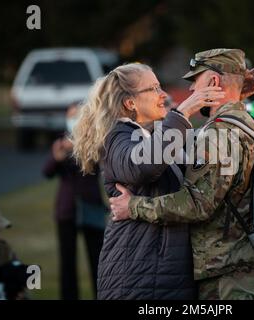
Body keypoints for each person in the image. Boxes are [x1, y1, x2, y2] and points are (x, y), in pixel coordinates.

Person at [110, 49, 254, 300]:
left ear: (212, 82)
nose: (190, 90)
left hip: (229, 276)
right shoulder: (249, 124)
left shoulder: (218, 135)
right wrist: (234, 92)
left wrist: (133, 206)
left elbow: (197, 204)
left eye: (194, 81)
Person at [72, 62, 225, 300]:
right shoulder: (116, 138)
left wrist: (236, 94)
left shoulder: (154, 135)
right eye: (153, 88)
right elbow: (141, 166)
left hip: (163, 272)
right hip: (137, 274)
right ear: (130, 103)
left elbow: (212, 144)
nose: (164, 95)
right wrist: (181, 113)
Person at [42, 104, 106, 300]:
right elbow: (47, 172)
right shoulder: (61, 141)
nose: (74, 119)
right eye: (70, 116)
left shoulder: (96, 139)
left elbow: (102, 165)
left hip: (91, 205)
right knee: (67, 260)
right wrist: (57, 158)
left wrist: (83, 145)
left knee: (97, 259)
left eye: (77, 115)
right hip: (67, 208)